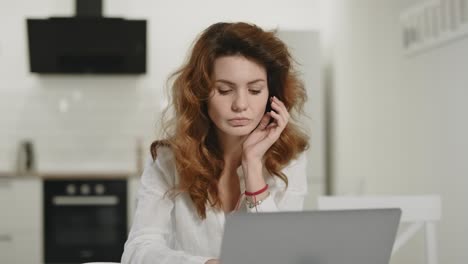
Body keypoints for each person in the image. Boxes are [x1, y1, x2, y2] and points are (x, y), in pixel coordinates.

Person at [121, 21, 310, 264]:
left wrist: (253, 167)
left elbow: (280, 257)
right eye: (224, 90)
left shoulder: (290, 159)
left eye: (254, 90)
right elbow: (138, 250)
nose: (240, 104)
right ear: (200, 93)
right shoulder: (169, 160)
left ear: (271, 96)